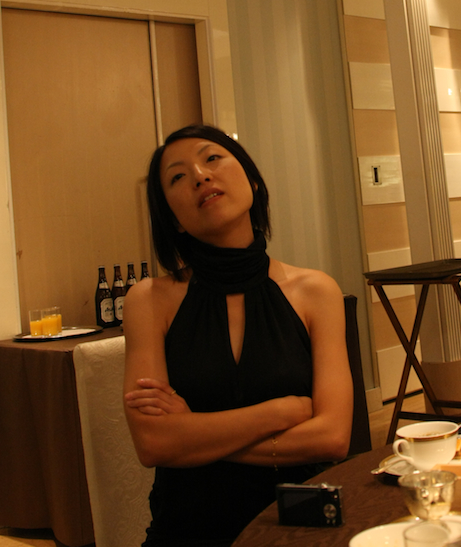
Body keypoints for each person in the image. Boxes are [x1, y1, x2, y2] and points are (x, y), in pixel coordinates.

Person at [123, 125, 353, 546]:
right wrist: (282, 412)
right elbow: (154, 443)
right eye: (178, 177)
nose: (200, 176)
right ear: (172, 219)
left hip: (298, 526)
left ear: (253, 181)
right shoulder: (148, 301)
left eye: (212, 158)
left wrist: (191, 433)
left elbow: (333, 436)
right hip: (187, 531)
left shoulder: (316, 291)